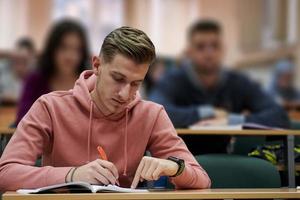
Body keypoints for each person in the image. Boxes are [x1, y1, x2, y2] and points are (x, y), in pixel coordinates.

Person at [0, 26, 210, 192]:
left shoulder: (152, 115)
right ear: (97, 65)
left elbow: (202, 180)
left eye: (136, 83)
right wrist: (73, 175)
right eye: (118, 79)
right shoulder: (50, 107)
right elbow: (5, 173)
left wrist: (175, 168)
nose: (125, 94)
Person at [149, 19, 290, 154]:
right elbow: (153, 112)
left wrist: (231, 120)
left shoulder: (238, 82)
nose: (209, 53)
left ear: (223, 49)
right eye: (200, 47)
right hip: (178, 161)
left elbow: (279, 116)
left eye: (215, 46)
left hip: (228, 161)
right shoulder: (173, 80)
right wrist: (207, 113)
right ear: (189, 51)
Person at [15, 19, 90, 124]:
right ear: (52, 48)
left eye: (77, 49)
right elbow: (22, 120)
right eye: (64, 47)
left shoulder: (89, 82)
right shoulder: (35, 80)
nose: (70, 55)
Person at [0, 38, 36, 105]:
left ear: (31, 60)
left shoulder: (37, 75)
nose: (19, 66)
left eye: (23, 61)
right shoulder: (2, 70)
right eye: (16, 60)